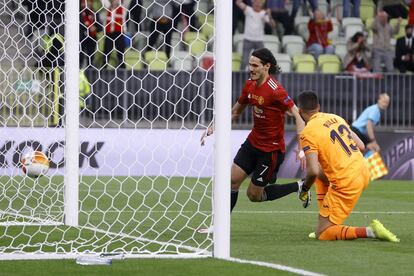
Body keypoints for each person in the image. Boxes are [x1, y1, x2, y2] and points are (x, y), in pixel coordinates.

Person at [199, 48, 310, 233]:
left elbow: (298, 116)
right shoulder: (249, 85)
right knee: (231, 181)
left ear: (267, 67)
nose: (250, 68)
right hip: (253, 143)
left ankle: (297, 186)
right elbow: (235, 111)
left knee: (254, 195)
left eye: (255, 65)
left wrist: (302, 148)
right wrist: (213, 126)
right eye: (250, 64)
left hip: (270, 151)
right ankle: (219, 226)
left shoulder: (276, 91)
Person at [297, 90, 399, 242]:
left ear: (299, 111)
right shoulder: (335, 117)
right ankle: (325, 221)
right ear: (319, 106)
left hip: (346, 182)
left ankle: (370, 231)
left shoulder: (307, 133)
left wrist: (304, 189)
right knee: (321, 175)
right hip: (364, 171)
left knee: (323, 234)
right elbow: (361, 145)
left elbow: (311, 171)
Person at [236, 0, 275, 71]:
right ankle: (240, 79)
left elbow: (272, 25)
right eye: (255, 2)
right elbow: (238, 2)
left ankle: (262, 79)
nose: (257, 4)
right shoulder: (248, 9)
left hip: (259, 41)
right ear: (252, 3)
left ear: (262, 4)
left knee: (263, 61)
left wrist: (269, 15)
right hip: (248, 40)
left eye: (259, 3)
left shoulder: (264, 14)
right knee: (244, 61)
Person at [102, 0, 127, 69]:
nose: (116, 1)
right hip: (109, 33)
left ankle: (122, 67)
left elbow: (124, 21)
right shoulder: (107, 8)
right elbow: (103, 1)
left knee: (121, 51)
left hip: (119, 33)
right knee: (107, 50)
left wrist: (124, 31)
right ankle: (104, 68)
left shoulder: (122, 9)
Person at [80, 0, 100, 68]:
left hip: (92, 38)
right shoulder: (78, 13)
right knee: (80, 57)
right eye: (85, 2)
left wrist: (95, 28)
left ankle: (89, 75)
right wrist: (87, 27)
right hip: (81, 39)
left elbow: (100, 27)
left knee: (91, 59)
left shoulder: (95, 13)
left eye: (89, 2)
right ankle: (78, 73)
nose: (87, 4)